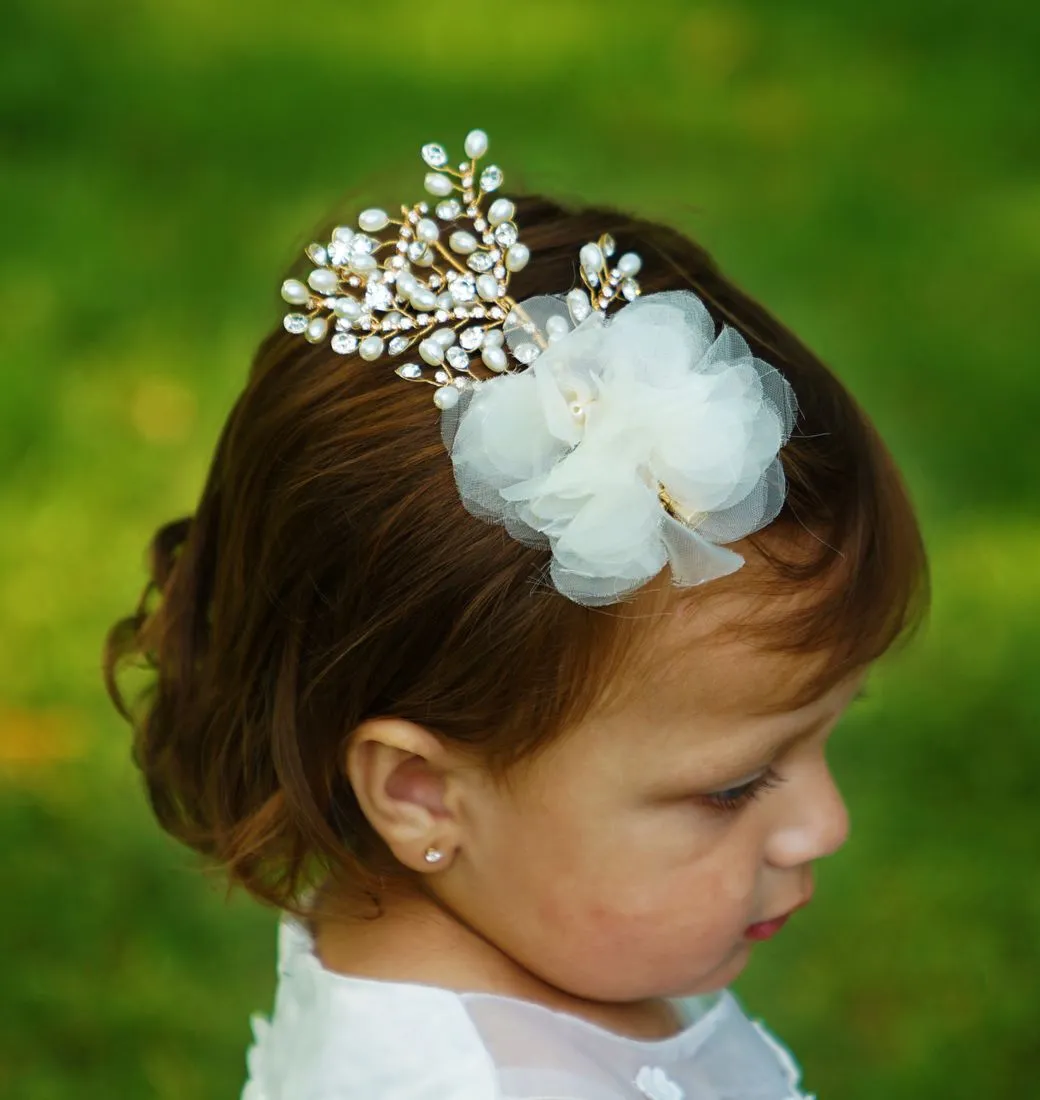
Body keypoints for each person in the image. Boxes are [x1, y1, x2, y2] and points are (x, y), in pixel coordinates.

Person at [103, 127, 929, 1099]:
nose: (822, 824)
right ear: (419, 792)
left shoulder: (488, 934)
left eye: (828, 730)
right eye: (733, 785)